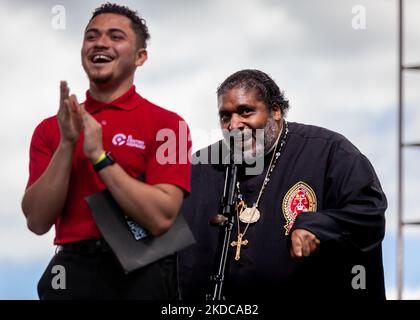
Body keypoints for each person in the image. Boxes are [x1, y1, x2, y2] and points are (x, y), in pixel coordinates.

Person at [22, 3, 191, 300]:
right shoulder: (51, 129)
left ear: (141, 57)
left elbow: (161, 217)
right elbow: (36, 222)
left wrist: (99, 157)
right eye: (92, 36)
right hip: (72, 271)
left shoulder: (168, 125)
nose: (101, 43)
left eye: (116, 37)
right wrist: (67, 144)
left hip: (143, 272)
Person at [177, 69, 387, 300]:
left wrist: (317, 226)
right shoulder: (199, 167)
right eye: (225, 116)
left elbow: (369, 212)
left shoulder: (328, 151)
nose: (234, 124)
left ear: (275, 111)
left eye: (246, 111)